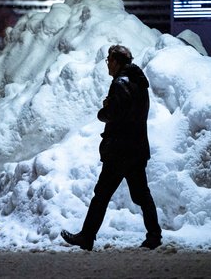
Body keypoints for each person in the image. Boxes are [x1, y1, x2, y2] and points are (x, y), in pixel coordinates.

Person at [61, 45, 162, 251]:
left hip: (119, 151)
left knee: (102, 195)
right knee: (142, 194)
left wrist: (104, 110)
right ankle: (154, 235)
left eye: (109, 59)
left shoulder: (120, 83)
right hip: (136, 149)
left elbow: (115, 113)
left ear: (117, 62)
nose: (107, 63)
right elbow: (132, 112)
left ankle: (87, 237)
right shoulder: (139, 83)